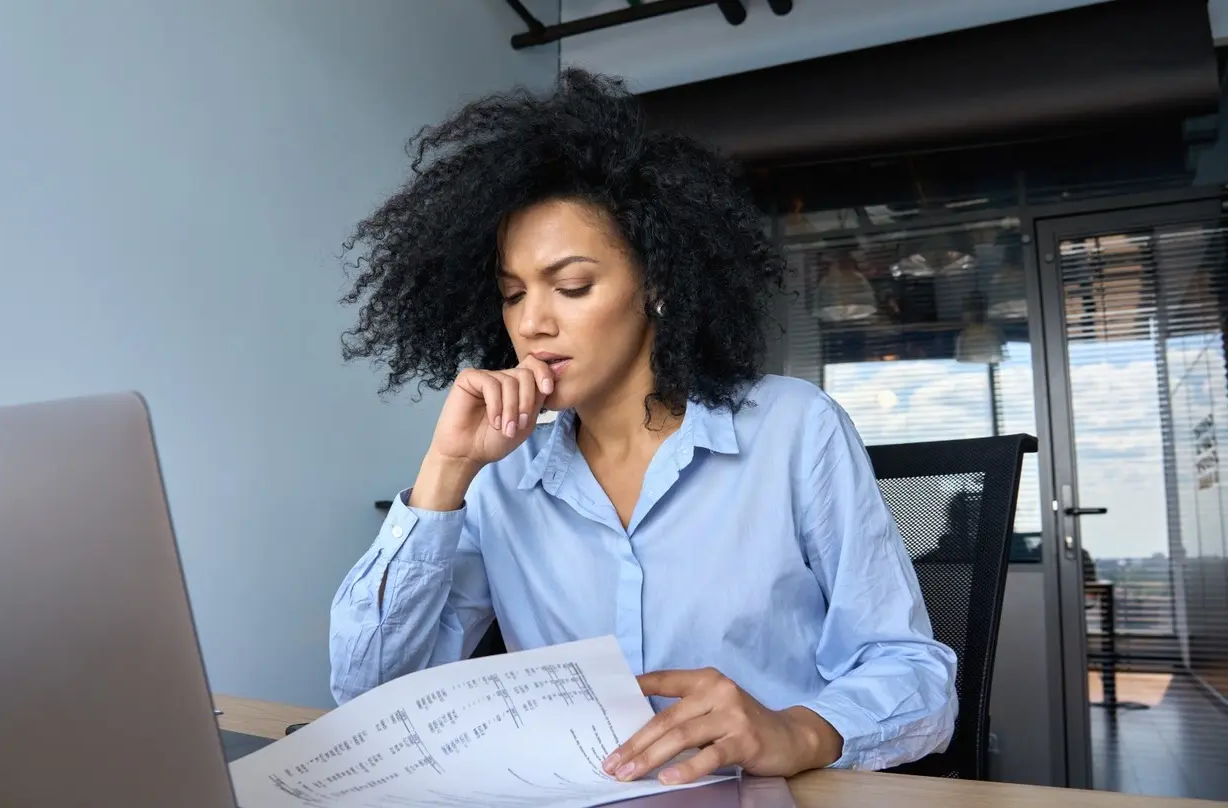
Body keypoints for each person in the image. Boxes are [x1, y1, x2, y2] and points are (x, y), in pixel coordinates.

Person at [329, 69, 958, 785]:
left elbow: (914, 674)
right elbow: (369, 695)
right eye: (512, 294)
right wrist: (445, 471)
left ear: (657, 284)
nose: (532, 323)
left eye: (571, 287)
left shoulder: (794, 431)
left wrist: (796, 732)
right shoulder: (503, 473)